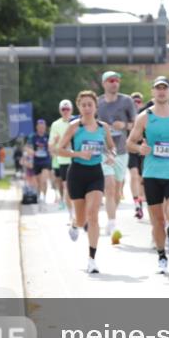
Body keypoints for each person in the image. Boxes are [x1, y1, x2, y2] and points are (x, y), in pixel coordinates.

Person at [128, 77, 169, 274]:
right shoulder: (144, 117)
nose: (161, 92)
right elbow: (130, 143)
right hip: (152, 174)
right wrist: (141, 148)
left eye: (165, 88)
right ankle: (161, 256)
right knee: (157, 220)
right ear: (152, 92)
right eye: (158, 89)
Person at [57, 90, 117, 274]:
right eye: (83, 105)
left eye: (90, 104)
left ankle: (92, 259)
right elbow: (60, 149)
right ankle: (75, 224)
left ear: (95, 106)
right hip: (77, 173)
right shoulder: (75, 127)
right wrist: (78, 153)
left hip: (95, 174)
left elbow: (111, 147)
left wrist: (111, 156)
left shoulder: (103, 127)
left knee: (93, 215)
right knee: (82, 218)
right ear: (79, 107)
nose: (87, 108)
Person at [97, 71, 137, 243]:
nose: (115, 83)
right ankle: (112, 223)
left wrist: (125, 125)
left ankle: (111, 218)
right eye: (111, 80)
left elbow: (137, 124)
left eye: (117, 81)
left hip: (121, 151)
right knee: (110, 186)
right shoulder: (97, 102)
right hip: (104, 151)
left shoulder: (126, 101)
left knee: (118, 191)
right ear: (104, 83)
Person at [50, 100, 76, 217]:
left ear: (72, 110)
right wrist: (57, 144)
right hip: (63, 160)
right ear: (60, 111)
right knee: (67, 187)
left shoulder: (77, 122)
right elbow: (51, 145)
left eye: (68, 109)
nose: (65, 111)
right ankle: (71, 214)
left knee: (77, 187)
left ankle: (78, 211)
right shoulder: (56, 124)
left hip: (77, 158)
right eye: (63, 109)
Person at [127, 92, 146, 220]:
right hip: (131, 150)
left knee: (141, 178)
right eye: (134, 101)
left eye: (138, 101)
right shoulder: (127, 115)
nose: (136, 103)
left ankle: (140, 201)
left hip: (144, 150)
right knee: (134, 175)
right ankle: (137, 204)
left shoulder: (146, 115)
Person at [28, 120, 53, 206]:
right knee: (38, 182)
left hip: (46, 161)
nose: (41, 129)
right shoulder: (33, 137)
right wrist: (31, 151)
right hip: (36, 161)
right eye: (40, 127)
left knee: (44, 180)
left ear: (45, 127)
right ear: (37, 127)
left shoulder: (48, 136)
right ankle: (38, 195)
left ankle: (44, 197)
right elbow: (28, 147)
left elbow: (52, 146)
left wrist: (52, 151)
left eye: (43, 127)